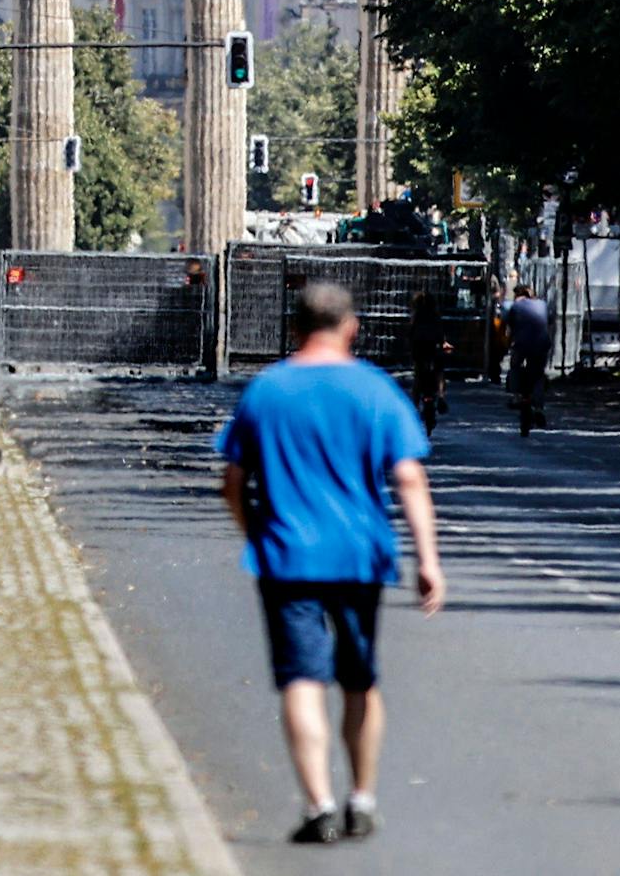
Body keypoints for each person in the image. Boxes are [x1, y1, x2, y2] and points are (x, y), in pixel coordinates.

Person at [217, 281, 444, 846]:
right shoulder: (375, 390)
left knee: (301, 680)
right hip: (360, 556)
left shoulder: (266, 391)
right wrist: (428, 560)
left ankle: (318, 805)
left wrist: (256, 532)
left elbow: (232, 481)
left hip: (286, 557)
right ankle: (361, 798)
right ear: (351, 329)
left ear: (294, 330)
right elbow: (410, 477)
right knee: (359, 680)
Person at [506, 283, 550, 426]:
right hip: (541, 345)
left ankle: (516, 395)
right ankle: (539, 407)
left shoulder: (516, 306)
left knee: (514, 365)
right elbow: (547, 322)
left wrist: (509, 345)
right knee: (538, 375)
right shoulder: (542, 304)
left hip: (522, 345)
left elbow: (510, 329)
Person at [407, 292, 450, 419]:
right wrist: (443, 343)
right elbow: (441, 334)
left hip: (419, 350)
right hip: (433, 349)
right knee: (440, 373)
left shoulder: (416, 317)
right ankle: (441, 396)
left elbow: (410, 334)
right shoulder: (435, 316)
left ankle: (414, 405)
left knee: (418, 375)